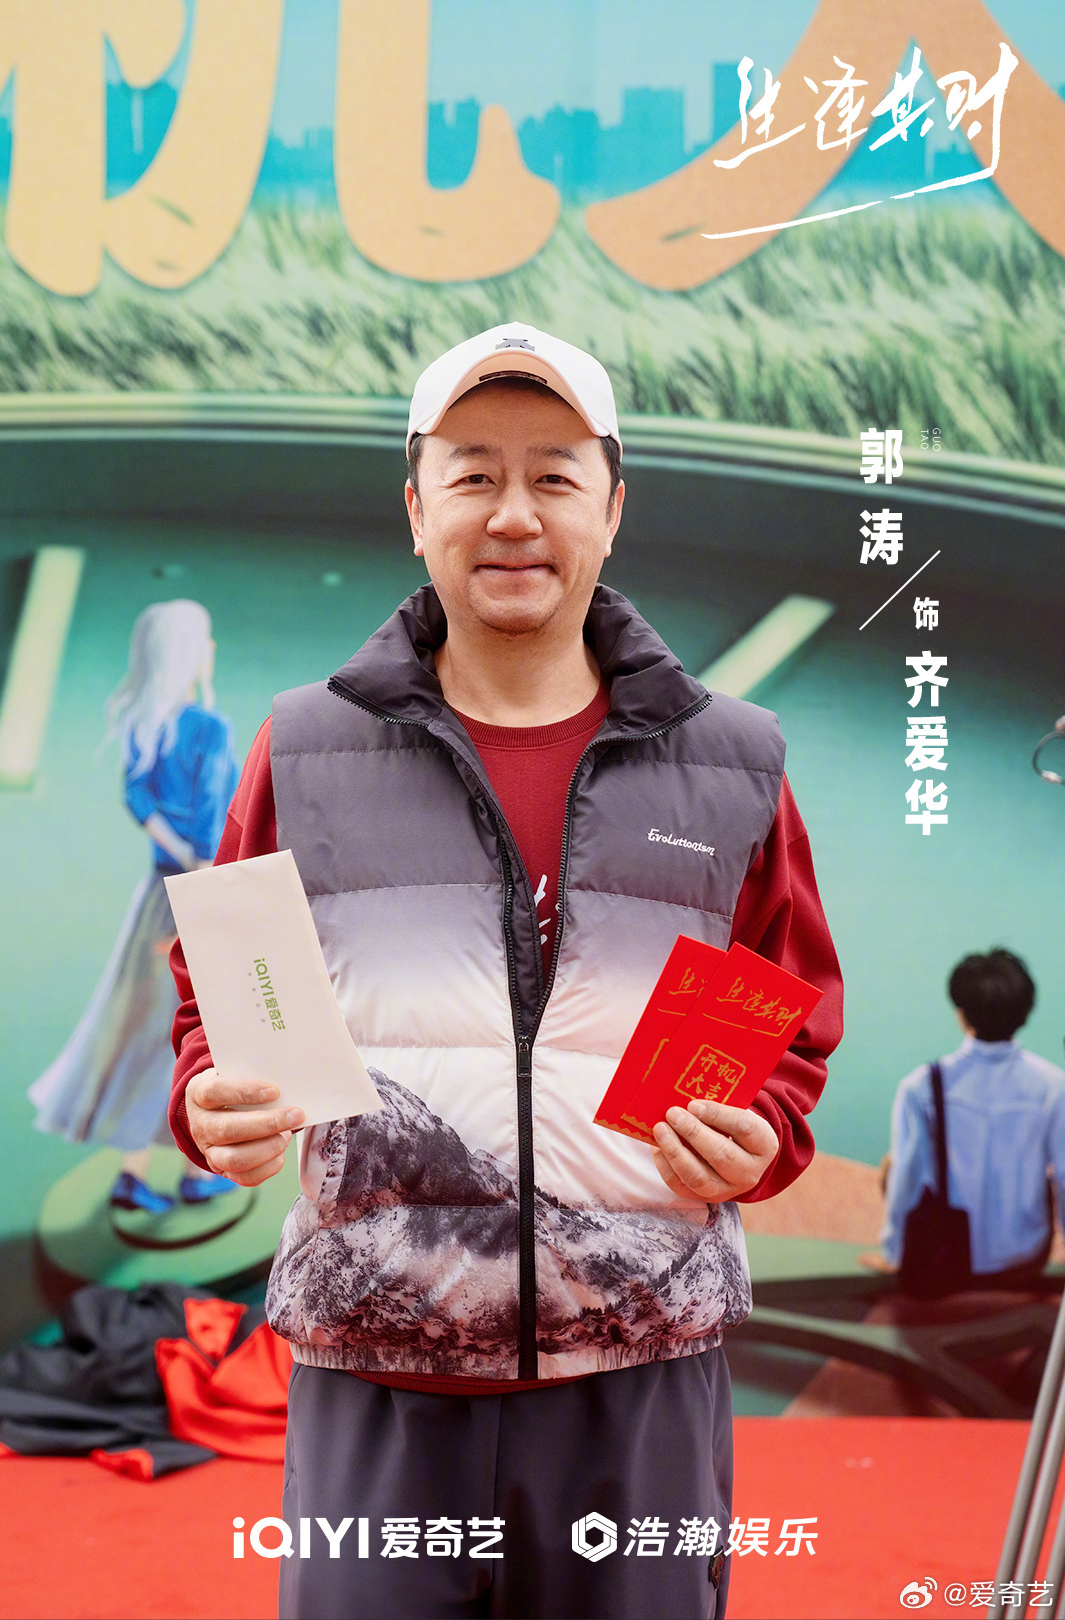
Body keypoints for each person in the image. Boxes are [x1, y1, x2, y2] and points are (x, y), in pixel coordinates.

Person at [167, 323, 843, 1619]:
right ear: (417, 509)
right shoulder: (304, 747)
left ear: (614, 508)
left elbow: (791, 1006)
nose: (514, 514)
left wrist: (764, 1130)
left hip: (639, 1371)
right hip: (380, 1369)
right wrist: (213, 1097)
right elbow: (224, 1001)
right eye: (474, 474)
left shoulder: (733, 761)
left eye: (555, 476)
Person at [30, 599, 238, 1215]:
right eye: (205, 640)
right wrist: (203, 869)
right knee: (201, 1029)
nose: (211, 650)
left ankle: (136, 1172)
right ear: (189, 653)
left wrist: (175, 851)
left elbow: (138, 800)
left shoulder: (146, 726)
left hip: (155, 897)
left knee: (149, 1026)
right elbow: (212, 818)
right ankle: (196, 1171)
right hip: (198, 900)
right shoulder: (208, 727)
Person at [880, 948, 1065, 1285]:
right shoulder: (1053, 1085)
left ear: (961, 1014)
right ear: (1025, 1013)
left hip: (948, 1253)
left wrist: (894, 1251)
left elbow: (907, 1179)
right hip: (1026, 1254)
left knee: (895, 1164)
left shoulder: (920, 1086)